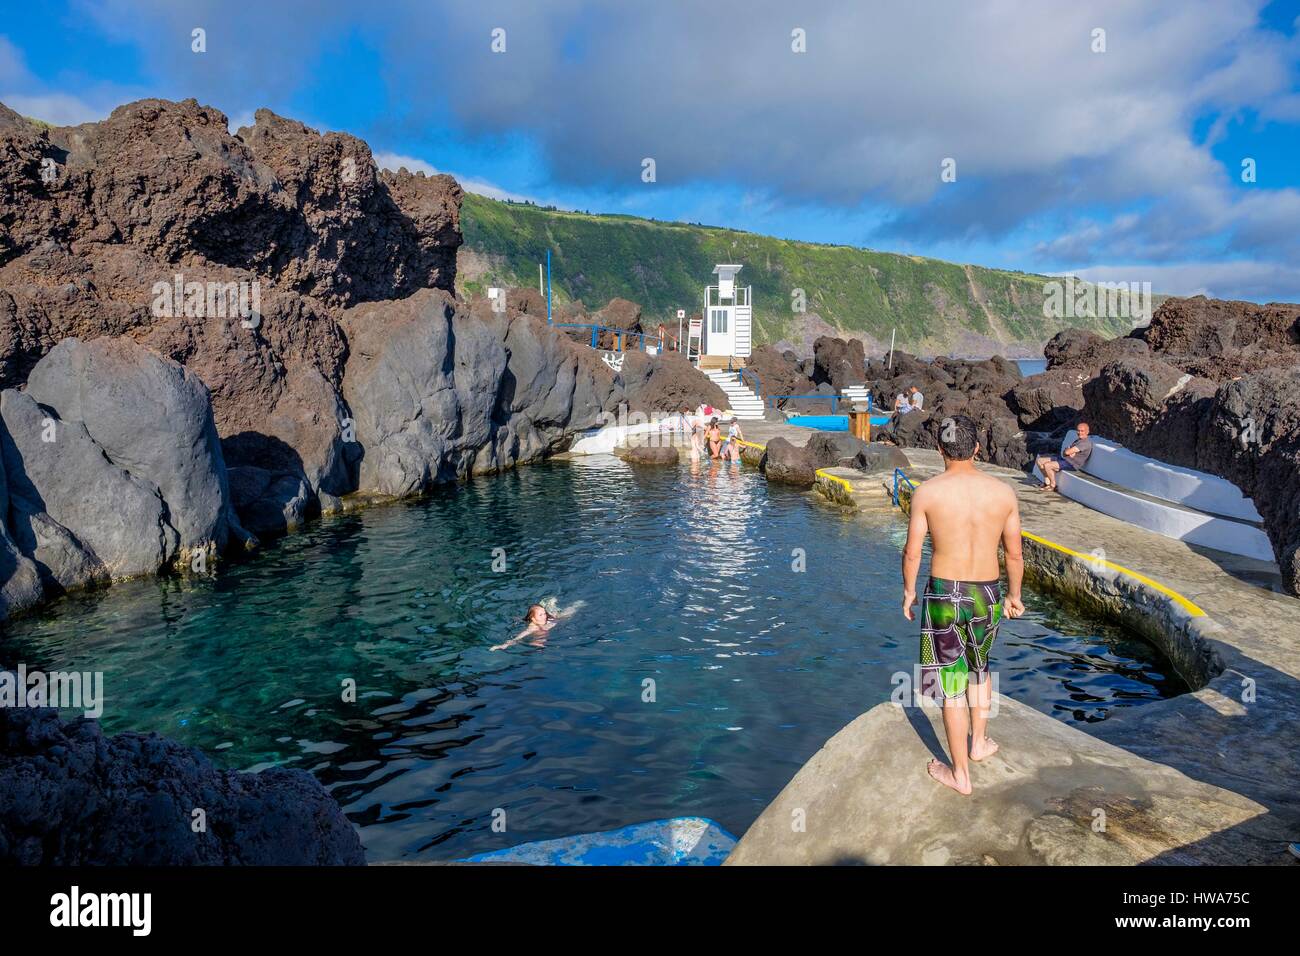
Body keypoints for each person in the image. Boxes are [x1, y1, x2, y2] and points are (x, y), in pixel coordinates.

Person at [901, 414, 1025, 795]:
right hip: (986, 592)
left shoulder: (928, 493)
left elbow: (912, 552)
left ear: (939, 450)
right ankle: (979, 743)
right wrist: (1014, 595)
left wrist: (908, 592)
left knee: (951, 682)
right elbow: (1015, 554)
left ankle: (959, 774)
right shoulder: (1003, 493)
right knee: (980, 667)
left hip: (943, 592)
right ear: (976, 449)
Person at [491, 598, 583, 651]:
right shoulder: (532, 628)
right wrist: (503, 645)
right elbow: (517, 638)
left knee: (568, 612)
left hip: (554, 619)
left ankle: (552, 603)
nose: (544, 616)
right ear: (533, 619)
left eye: (544, 613)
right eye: (541, 615)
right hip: (552, 622)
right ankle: (551, 604)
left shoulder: (546, 619)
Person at [1036, 421, 1093, 491]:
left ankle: (1053, 485)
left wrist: (1068, 451)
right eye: (1078, 430)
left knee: (1047, 465)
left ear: (1087, 432)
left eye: (1082, 431)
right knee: (1040, 461)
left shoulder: (1085, 443)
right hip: (1065, 459)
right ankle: (1047, 482)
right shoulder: (1078, 441)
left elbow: (1067, 451)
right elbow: (1065, 452)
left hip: (1072, 464)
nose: (1079, 433)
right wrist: (1068, 452)